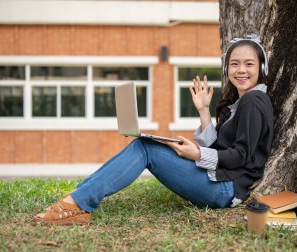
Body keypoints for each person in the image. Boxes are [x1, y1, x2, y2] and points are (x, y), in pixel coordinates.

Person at [34, 34, 274, 225]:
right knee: (146, 144)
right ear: (227, 68)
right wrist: (203, 111)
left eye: (249, 64)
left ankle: (77, 203)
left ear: (261, 67)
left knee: (146, 148)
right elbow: (219, 145)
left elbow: (242, 155)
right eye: (234, 64)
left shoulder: (254, 101)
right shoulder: (241, 101)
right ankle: (78, 198)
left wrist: (198, 154)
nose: (241, 70)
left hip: (226, 189)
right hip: (220, 181)